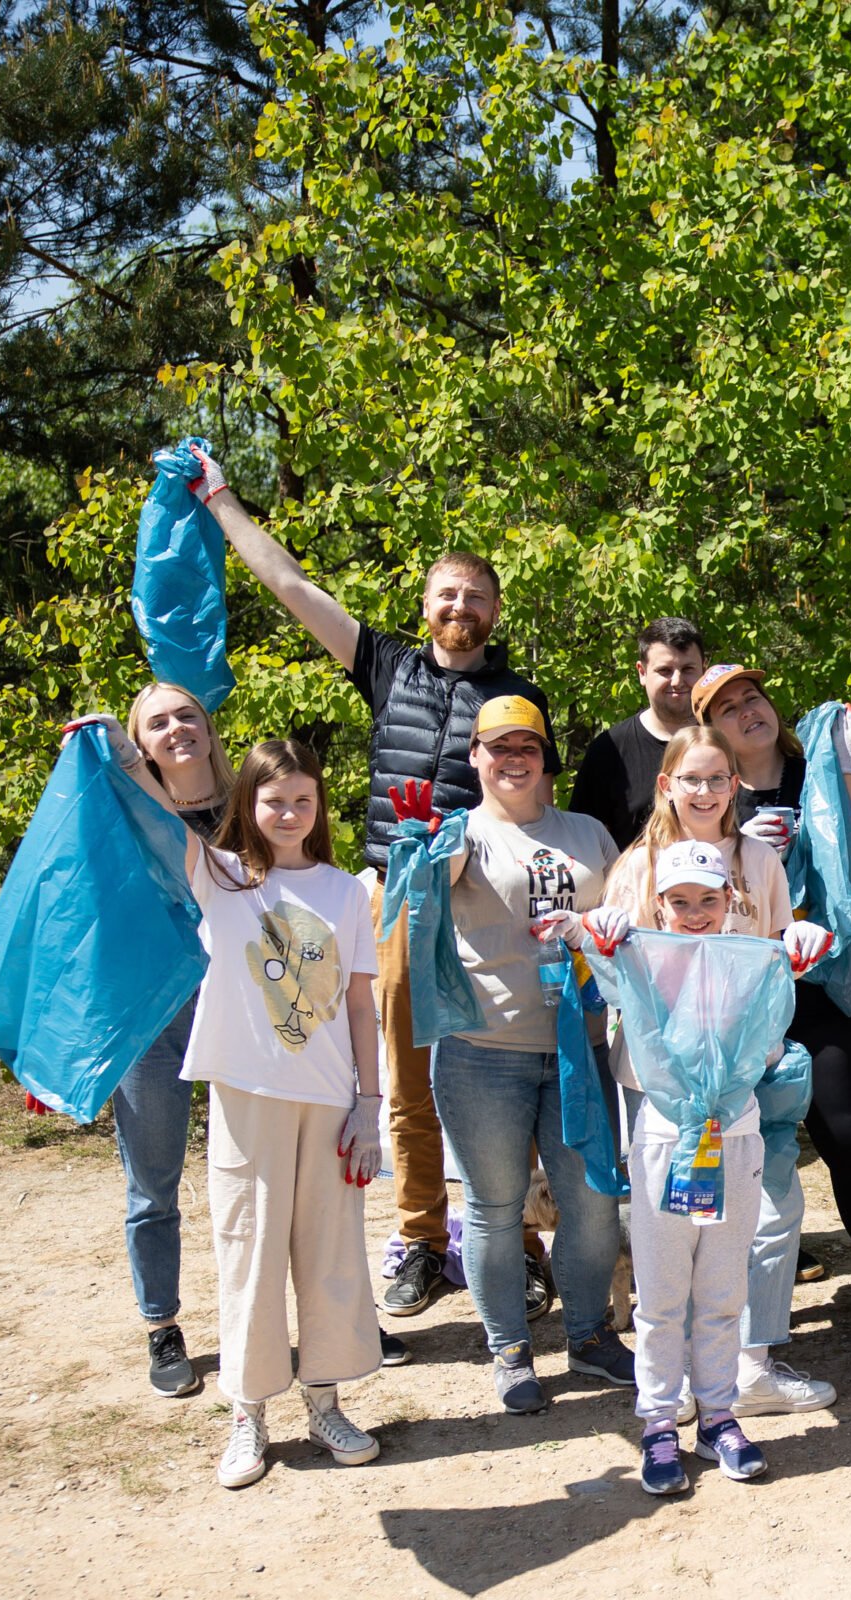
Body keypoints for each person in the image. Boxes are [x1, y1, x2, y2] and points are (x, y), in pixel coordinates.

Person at [191, 451, 550, 1322]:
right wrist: (220, 500)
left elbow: (538, 808)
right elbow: (290, 585)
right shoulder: (391, 667)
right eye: (446, 594)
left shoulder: (518, 698)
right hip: (393, 898)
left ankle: (513, 1243)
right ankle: (424, 1241)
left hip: (482, 906)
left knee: (498, 1075)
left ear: (496, 612)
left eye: (476, 596)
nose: (459, 607)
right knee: (410, 1081)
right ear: (426, 605)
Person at [104, 733, 386, 1488]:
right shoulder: (221, 877)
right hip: (247, 1099)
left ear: (320, 804)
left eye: (302, 799)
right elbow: (162, 817)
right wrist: (124, 755)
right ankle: (249, 1416)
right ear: (247, 804)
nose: (288, 812)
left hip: (330, 1104)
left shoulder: (346, 891)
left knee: (328, 1257)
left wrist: (369, 1103)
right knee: (250, 1255)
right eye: (273, 800)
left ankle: (323, 1400)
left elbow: (361, 1004)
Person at [548, 839, 825, 1491]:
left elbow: (793, 962)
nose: (695, 913)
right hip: (668, 1138)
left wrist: (801, 941)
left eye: (709, 899)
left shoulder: (750, 961)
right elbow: (576, 937)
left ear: (733, 898)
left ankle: (719, 1417)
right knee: (665, 1290)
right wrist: (595, 927)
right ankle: (660, 1425)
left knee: (723, 1286)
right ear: (659, 903)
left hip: (736, 1135)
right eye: (679, 902)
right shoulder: (643, 955)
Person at [599, 724, 840, 1422]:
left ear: (735, 785)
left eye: (717, 779)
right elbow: (620, 971)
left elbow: (773, 956)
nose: (704, 792)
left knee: (765, 1214)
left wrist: (799, 948)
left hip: (744, 1077)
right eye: (691, 779)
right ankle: (668, 1398)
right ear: (665, 785)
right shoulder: (638, 868)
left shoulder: (760, 860)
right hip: (666, 1090)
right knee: (673, 1239)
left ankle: (749, 1368)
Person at [395, 695, 629, 1414]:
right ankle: (511, 1350)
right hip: (482, 1054)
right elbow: (421, 896)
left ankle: (589, 1338)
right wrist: (421, 849)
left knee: (591, 1205)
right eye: (497, 747)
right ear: (476, 758)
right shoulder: (463, 835)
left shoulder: (588, 833)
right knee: (495, 1211)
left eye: (526, 743)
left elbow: (631, 909)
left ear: (544, 754)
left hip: (579, 1051)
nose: (513, 757)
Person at [697, 663, 851, 1300]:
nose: (746, 710)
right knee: (735, 1147)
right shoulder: (709, 797)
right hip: (735, 998)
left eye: (753, 696)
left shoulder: (821, 775)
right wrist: (732, 846)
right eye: (727, 708)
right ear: (710, 731)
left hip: (819, 986)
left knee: (846, 1135)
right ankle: (737, 1305)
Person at [96, 683, 234, 1398]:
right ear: (139, 744)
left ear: (209, 729)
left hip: (248, 1012)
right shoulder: (120, 816)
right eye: (156, 723)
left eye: (187, 715)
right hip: (155, 1016)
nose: (176, 728)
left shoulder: (253, 802)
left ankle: (302, 1318)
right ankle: (162, 1325)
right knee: (153, 1184)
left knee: (274, 1176)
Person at [569, 617, 708, 849]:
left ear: (704, 667)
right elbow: (585, 845)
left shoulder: (725, 741)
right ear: (642, 672)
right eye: (664, 670)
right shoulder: (609, 751)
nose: (677, 680)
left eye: (688, 669)